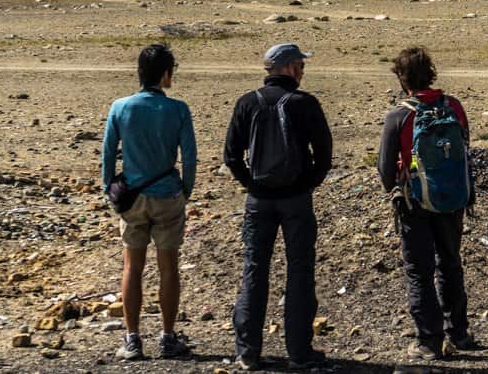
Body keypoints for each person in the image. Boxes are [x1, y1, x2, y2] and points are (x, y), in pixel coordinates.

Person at [224, 44, 333, 371]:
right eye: (300, 64)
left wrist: (252, 185)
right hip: (296, 200)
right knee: (300, 271)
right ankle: (299, 351)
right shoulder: (305, 104)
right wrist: (305, 184)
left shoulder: (247, 103)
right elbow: (324, 155)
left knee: (255, 269)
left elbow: (231, 156)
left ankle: (248, 351)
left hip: (259, 200)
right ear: (287, 68)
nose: (303, 70)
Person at [379, 46, 477, 361]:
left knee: (419, 271)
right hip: (452, 198)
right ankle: (458, 332)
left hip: (415, 202)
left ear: (401, 78)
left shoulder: (399, 115)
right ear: (431, 73)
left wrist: (395, 190)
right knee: (450, 262)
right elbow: (465, 147)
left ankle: (429, 341)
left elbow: (384, 167)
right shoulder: (454, 106)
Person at [101, 44, 197, 361]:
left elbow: (107, 153)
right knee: (168, 267)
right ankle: (168, 338)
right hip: (167, 195)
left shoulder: (120, 107)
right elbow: (190, 157)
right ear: (166, 73)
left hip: (133, 198)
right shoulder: (178, 109)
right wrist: (186, 190)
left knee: (133, 266)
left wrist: (108, 188)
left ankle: (132, 340)